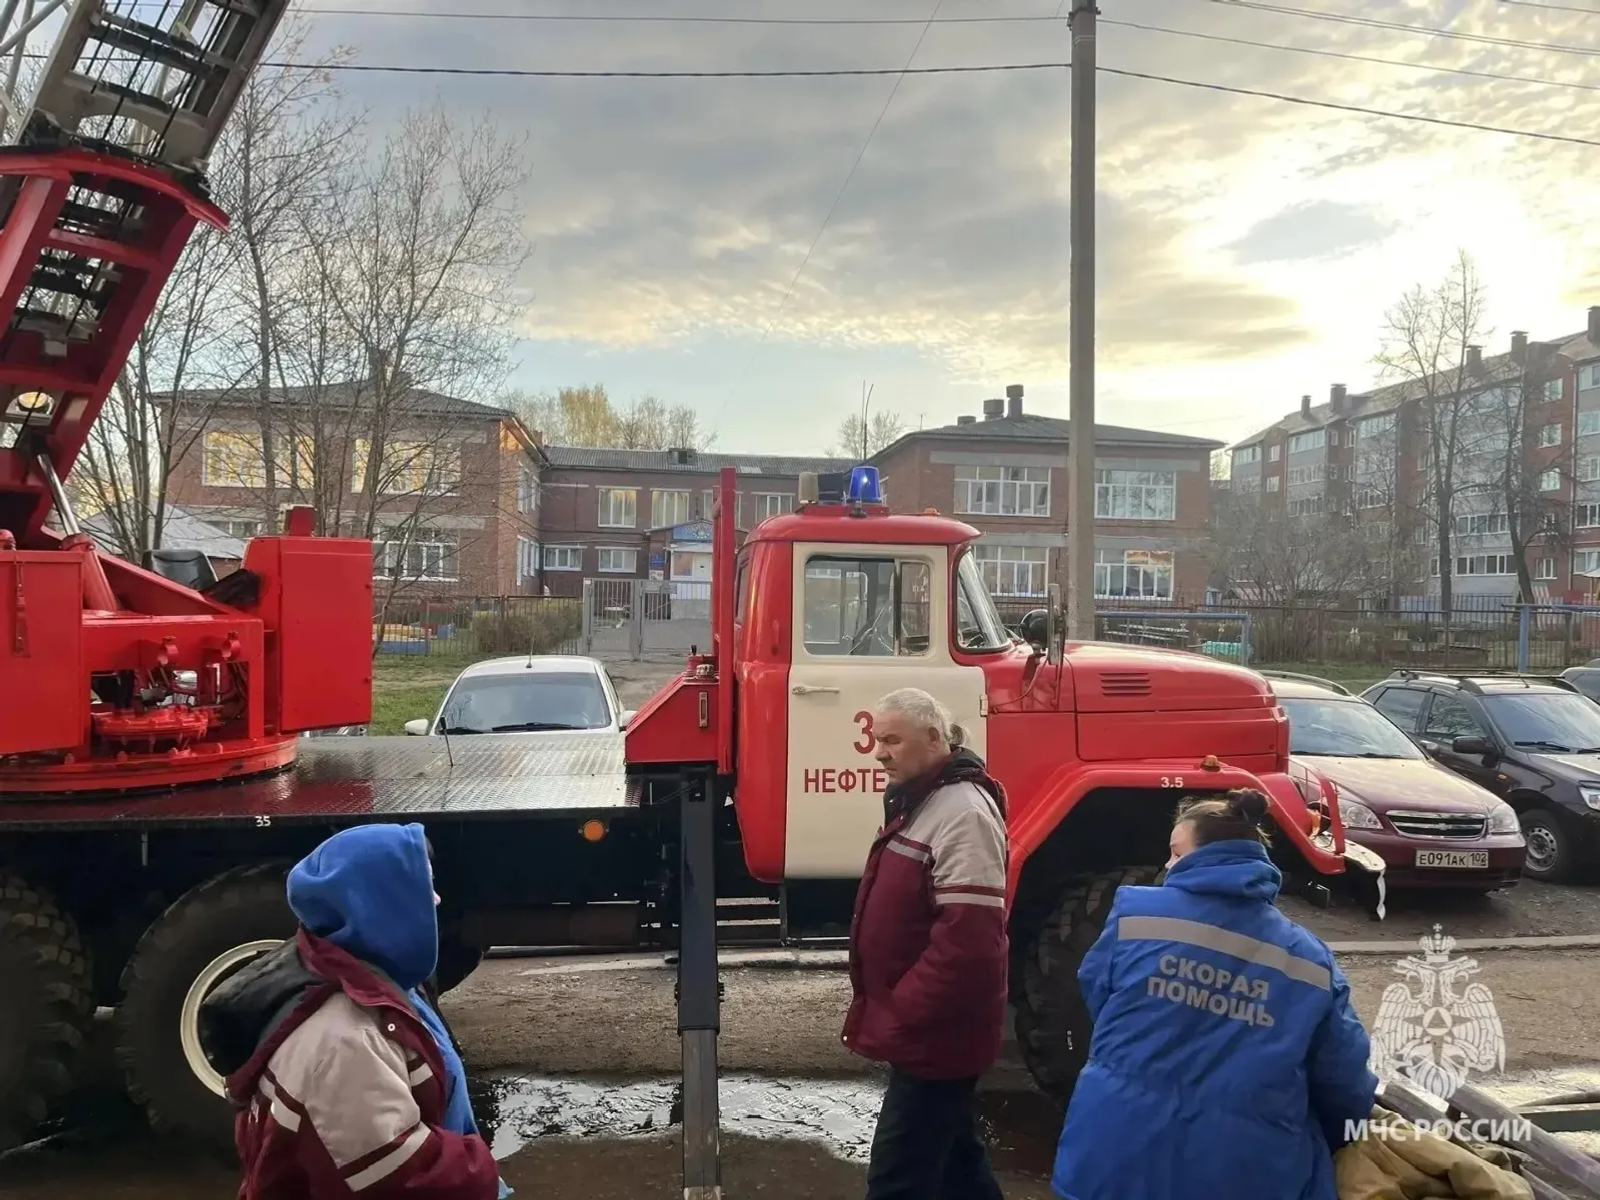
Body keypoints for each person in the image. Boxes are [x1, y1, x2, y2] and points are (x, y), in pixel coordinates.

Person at [1049, 788, 1378, 1200]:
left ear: (1206, 856)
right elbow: (1345, 1082)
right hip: (1246, 1172)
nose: (1167, 865)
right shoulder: (1311, 962)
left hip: (1113, 1156)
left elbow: (1100, 999)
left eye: (1175, 852)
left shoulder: (1136, 917)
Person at [198, 822, 511, 1200]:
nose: (438, 899)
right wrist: (478, 1168)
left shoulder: (379, 976)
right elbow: (400, 1179)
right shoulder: (345, 1041)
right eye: (424, 886)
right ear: (382, 903)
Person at [843, 686, 1009, 1200]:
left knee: (898, 1178)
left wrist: (902, 1010)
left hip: (935, 1034)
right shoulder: (926, 801)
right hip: (932, 1030)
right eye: (877, 739)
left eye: (892, 740)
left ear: (934, 738)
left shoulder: (962, 813)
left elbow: (969, 944)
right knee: (958, 1163)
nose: (879, 751)